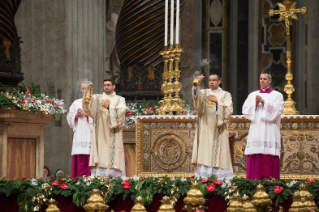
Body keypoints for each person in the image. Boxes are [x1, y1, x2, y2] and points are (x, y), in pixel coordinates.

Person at [191, 74, 234, 179]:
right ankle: (204, 176)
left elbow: (229, 110)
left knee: (219, 152)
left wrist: (217, 102)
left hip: (218, 128)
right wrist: (196, 85)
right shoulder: (204, 92)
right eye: (210, 80)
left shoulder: (225, 95)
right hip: (205, 127)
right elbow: (196, 98)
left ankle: (220, 179)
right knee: (205, 150)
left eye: (214, 80)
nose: (211, 82)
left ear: (219, 81)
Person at [242, 72, 284, 180]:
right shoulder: (252, 95)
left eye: (264, 79)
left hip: (270, 129)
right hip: (256, 128)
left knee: (269, 155)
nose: (262, 81)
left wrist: (264, 103)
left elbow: (278, 110)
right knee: (256, 154)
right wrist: (255, 104)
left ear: (269, 81)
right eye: (260, 78)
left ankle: (271, 184)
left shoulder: (277, 95)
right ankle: (253, 182)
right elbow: (245, 111)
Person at [83, 79, 126, 177]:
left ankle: (114, 176)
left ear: (113, 86)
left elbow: (121, 113)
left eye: (108, 85)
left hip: (113, 132)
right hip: (100, 132)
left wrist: (108, 107)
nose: (106, 87)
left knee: (113, 153)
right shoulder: (97, 98)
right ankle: (100, 176)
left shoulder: (120, 99)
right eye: (104, 85)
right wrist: (88, 90)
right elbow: (87, 106)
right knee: (100, 152)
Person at [67, 81, 93, 178]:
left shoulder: (96, 102)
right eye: (83, 88)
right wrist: (76, 115)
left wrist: (86, 114)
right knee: (80, 159)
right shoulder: (76, 102)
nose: (84, 90)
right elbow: (69, 117)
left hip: (91, 133)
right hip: (80, 133)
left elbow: (99, 118)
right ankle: (78, 180)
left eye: (87, 88)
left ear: (91, 89)